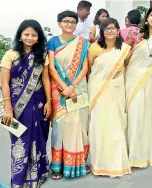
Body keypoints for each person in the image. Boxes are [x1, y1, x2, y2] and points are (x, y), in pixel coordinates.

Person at [1, 19, 51, 187]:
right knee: (20, 141)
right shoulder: (11, 55)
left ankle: (38, 174)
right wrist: (7, 108)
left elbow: (45, 79)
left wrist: (49, 102)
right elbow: (4, 83)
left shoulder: (42, 55)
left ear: (38, 37)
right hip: (17, 106)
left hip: (38, 102)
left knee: (40, 138)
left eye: (34, 35)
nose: (30, 38)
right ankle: (19, 179)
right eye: (26, 34)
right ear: (20, 36)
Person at [48, 10, 90, 179]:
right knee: (60, 126)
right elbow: (51, 67)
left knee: (80, 125)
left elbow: (85, 68)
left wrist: (72, 86)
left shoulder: (83, 42)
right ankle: (58, 165)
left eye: (72, 22)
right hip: (59, 89)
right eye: (65, 21)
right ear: (59, 23)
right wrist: (64, 87)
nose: (69, 24)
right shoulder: (52, 42)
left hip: (78, 88)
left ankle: (80, 161)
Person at [125, 5, 152, 168]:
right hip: (134, 77)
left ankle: (147, 152)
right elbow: (125, 56)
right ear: (147, 17)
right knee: (135, 113)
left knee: (149, 114)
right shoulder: (135, 34)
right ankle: (133, 152)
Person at [88, 18, 131, 177]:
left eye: (113, 28)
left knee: (117, 123)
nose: (110, 31)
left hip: (117, 89)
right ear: (102, 32)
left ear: (118, 30)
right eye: (106, 29)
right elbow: (90, 69)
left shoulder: (125, 49)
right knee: (99, 124)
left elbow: (126, 67)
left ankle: (117, 162)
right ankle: (99, 163)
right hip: (98, 89)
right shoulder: (95, 48)